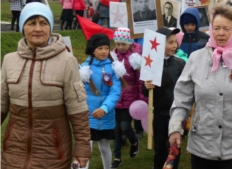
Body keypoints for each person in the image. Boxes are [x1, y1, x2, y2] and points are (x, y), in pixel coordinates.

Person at [168, 4, 232, 169]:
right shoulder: (196, 58)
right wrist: (175, 128)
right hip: (202, 143)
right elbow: (182, 99)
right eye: (217, 28)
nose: (220, 33)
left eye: (226, 29)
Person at [1, 2, 91, 168]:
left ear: (50, 28)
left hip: (52, 155)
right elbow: (1, 104)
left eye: (43, 23)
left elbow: (77, 108)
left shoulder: (66, 60)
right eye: (31, 23)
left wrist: (83, 147)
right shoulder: (9, 60)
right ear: (23, 28)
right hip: (13, 153)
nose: (37, 29)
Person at [142, 27, 186, 169]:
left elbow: (186, 88)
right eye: (171, 42)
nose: (175, 45)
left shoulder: (180, 64)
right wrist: (146, 87)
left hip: (176, 114)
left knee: (174, 149)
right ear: (160, 44)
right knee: (160, 149)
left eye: (175, 42)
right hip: (160, 114)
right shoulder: (151, 64)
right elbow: (145, 92)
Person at [79, 34, 122, 169]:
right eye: (100, 48)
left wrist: (105, 108)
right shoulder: (84, 69)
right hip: (88, 114)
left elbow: (115, 92)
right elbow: (79, 91)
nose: (104, 51)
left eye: (106, 48)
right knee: (86, 148)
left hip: (106, 114)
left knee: (104, 146)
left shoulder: (114, 68)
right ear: (92, 50)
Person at [110, 27, 146, 169]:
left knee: (125, 126)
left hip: (130, 98)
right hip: (116, 98)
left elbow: (139, 79)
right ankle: (117, 158)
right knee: (116, 130)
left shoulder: (135, 58)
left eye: (123, 44)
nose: (120, 47)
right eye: (117, 44)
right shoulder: (112, 56)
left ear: (129, 43)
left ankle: (134, 140)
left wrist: (142, 97)